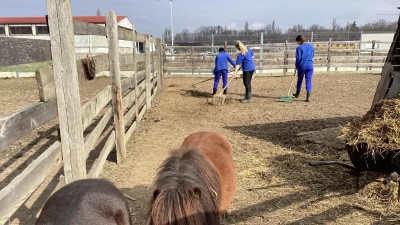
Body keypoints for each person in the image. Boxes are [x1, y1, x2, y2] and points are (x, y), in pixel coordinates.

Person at [293, 35, 314, 102]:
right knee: (308, 80)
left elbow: (298, 58)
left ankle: (297, 94)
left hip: (302, 66)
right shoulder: (310, 46)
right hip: (310, 65)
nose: (297, 43)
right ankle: (308, 97)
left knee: (300, 80)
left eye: (297, 42)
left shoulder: (299, 48)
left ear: (299, 41)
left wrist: (296, 64)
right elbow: (313, 54)